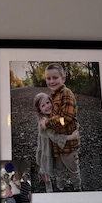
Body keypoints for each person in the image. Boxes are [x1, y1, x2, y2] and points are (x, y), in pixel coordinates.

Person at [42, 63, 81, 191]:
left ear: (63, 78)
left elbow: (65, 119)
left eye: (55, 78)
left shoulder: (66, 93)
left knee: (72, 169)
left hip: (68, 146)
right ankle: (60, 189)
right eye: (49, 78)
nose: (51, 81)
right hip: (57, 144)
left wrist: (47, 123)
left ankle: (77, 189)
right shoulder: (52, 96)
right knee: (59, 170)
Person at [33, 92, 79, 192]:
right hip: (46, 147)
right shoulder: (44, 121)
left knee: (54, 166)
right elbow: (54, 137)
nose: (47, 106)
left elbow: (62, 122)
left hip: (52, 146)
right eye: (43, 105)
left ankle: (58, 184)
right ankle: (47, 182)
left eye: (48, 102)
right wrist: (71, 137)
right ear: (39, 109)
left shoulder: (53, 115)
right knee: (46, 165)